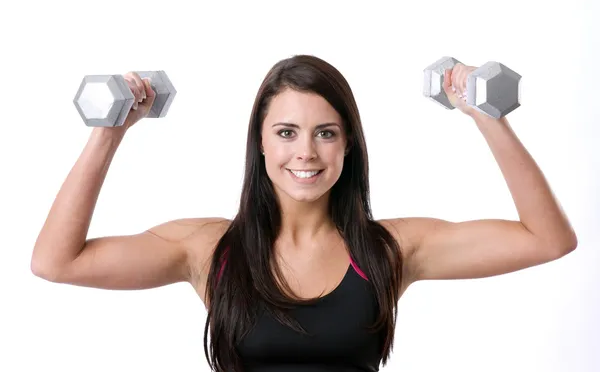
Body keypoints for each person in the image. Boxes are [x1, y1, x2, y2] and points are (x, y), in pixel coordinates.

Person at [31, 54, 578, 372]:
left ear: (349, 147)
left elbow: (546, 240)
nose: (306, 154)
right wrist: (110, 133)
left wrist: (486, 117)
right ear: (261, 144)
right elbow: (57, 262)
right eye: (286, 132)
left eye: (326, 134)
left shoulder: (390, 249)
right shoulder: (206, 250)